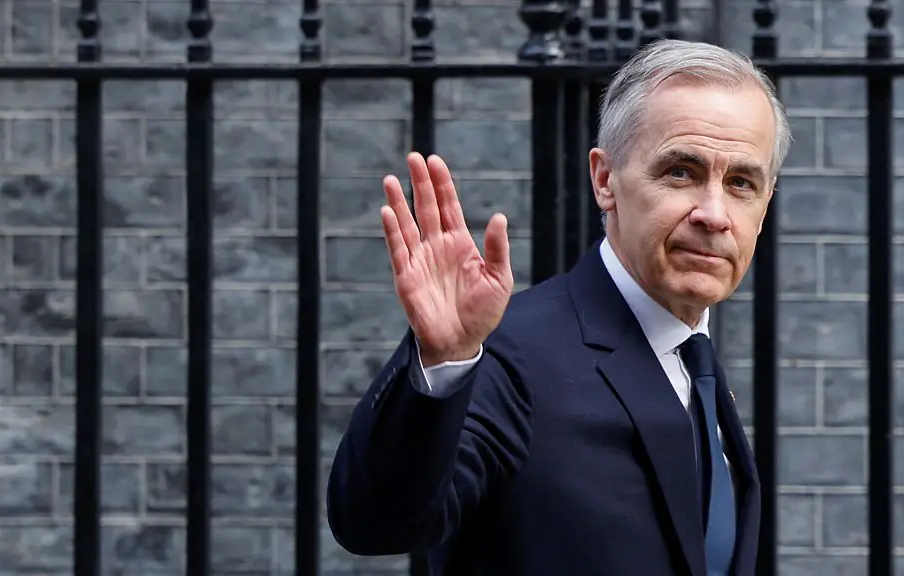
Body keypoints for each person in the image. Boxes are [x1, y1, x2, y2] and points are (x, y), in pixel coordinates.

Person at [326, 38, 791, 576]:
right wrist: (444, 362)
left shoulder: (696, 364)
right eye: (680, 172)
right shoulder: (509, 355)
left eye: (741, 183)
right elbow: (375, 521)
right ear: (604, 180)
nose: (714, 214)